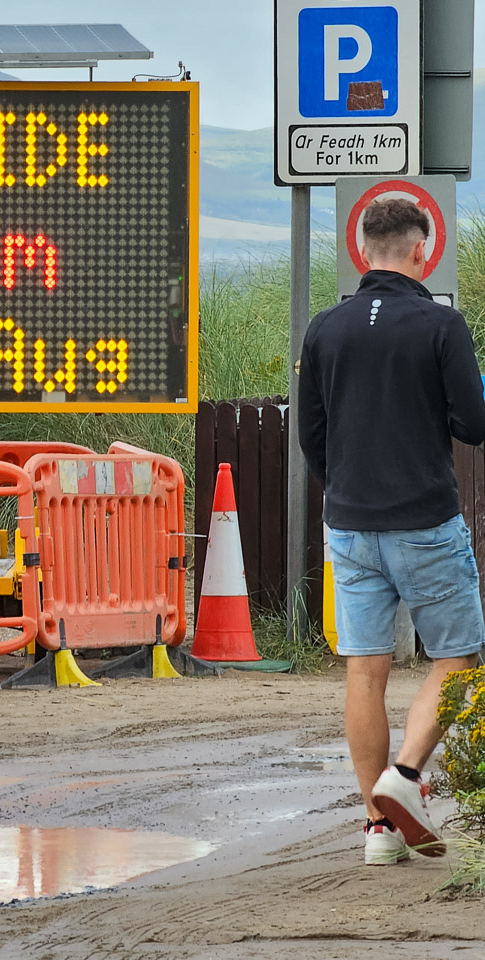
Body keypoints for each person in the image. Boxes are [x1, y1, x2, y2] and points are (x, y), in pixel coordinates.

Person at [298, 198, 485, 866]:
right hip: (425, 521)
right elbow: (473, 424)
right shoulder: (441, 325)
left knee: (365, 668)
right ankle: (405, 777)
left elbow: (310, 435)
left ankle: (377, 830)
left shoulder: (325, 328)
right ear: (422, 251)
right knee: (458, 657)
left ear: (361, 252)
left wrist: (346, 487)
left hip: (349, 524)